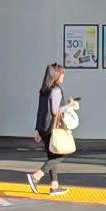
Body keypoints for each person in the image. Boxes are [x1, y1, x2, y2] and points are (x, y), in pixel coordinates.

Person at [27, 63, 75, 197]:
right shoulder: (56, 91)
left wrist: (38, 131)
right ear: (56, 75)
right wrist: (70, 105)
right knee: (60, 155)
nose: (63, 77)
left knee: (52, 156)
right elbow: (55, 111)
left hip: (43, 127)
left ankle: (54, 186)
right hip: (51, 128)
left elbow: (42, 110)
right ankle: (36, 176)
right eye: (62, 74)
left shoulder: (44, 90)